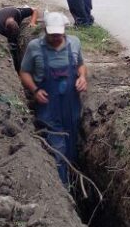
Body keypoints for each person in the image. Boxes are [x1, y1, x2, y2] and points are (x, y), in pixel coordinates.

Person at [19, 12, 88, 185]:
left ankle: (74, 181)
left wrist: (82, 77)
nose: (56, 38)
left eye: (59, 34)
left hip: (71, 107)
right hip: (49, 107)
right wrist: (35, 90)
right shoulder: (35, 47)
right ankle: (63, 190)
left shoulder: (74, 43)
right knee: (58, 148)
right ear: (45, 31)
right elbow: (24, 72)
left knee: (72, 149)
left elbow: (80, 65)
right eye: (52, 35)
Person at [0, 6, 39, 71]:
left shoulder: (17, 13)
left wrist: (32, 22)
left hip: (10, 10)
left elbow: (35, 10)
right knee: (12, 48)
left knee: (15, 46)